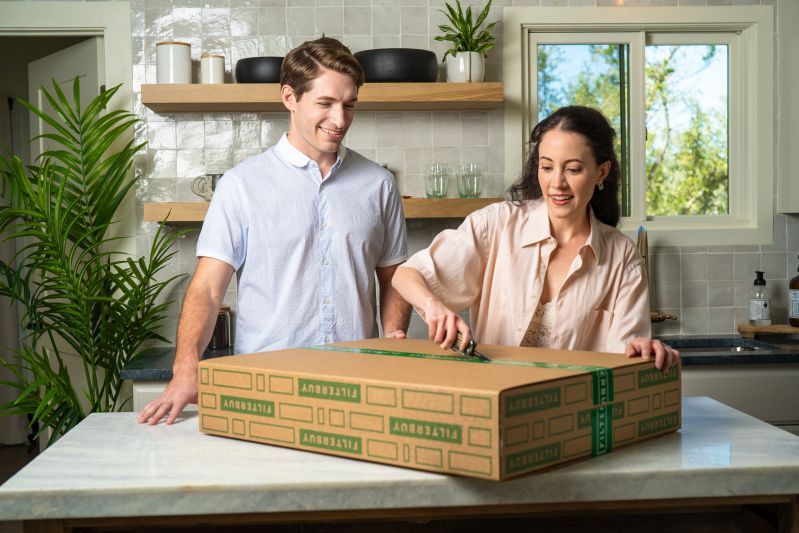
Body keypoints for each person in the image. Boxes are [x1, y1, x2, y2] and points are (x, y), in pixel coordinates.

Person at [138, 37, 411, 425]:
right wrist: (186, 368)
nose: (340, 120)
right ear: (289, 97)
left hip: (358, 382)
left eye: (349, 105)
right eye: (325, 103)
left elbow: (394, 276)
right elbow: (208, 288)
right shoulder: (241, 185)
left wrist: (392, 338)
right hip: (266, 385)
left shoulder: (378, 184)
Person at [392, 105, 679, 371]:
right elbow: (407, 275)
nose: (557, 183)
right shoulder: (496, 224)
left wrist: (643, 349)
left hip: (572, 412)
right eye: (547, 166)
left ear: (601, 171)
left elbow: (625, 353)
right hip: (495, 402)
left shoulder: (621, 256)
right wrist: (436, 310)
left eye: (573, 169)